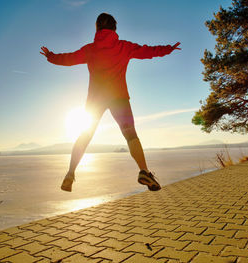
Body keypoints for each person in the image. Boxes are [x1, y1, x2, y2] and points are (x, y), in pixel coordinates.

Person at [40, 13, 181, 192]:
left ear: (97, 28)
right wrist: (168, 48)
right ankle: (144, 171)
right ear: (115, 28)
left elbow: (68, 59)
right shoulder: (124, 46)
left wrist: (50, 56)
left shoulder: (90, 49)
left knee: (85, 135)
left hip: (95, 99)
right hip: (119, 97)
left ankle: (70, 173)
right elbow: (148, 51)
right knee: (130, 134)